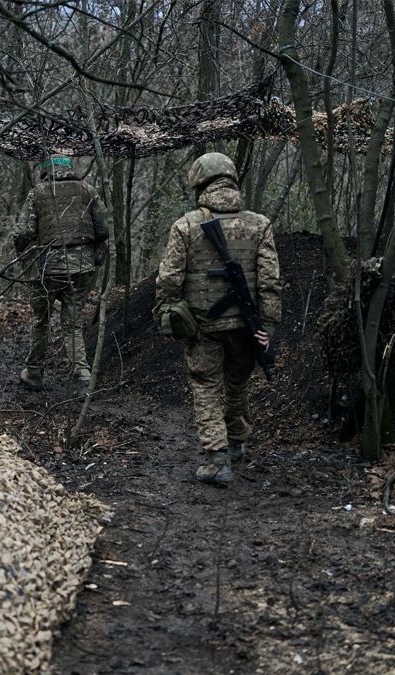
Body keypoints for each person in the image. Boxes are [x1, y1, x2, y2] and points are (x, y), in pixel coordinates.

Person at [153, 152, 281, 486]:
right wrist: (268, 326)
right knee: (237, 383)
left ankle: (217, 458)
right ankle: (236, 442)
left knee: (206, 386)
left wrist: (165, 316)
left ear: (200, 183)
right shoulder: (259, 224)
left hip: (203, 327)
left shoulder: (185, 226)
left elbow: (169, 279)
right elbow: (269, 280)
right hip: (245, 325)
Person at [13, 155, 109, 396]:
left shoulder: (38, 193)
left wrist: (24, 256)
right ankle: (83, 375)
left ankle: (34, 373)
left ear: (46, 171)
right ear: (70, 169)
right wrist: (92, 256)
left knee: (40, 321)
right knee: (73, 324)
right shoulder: (88, 191)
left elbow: (23, 232)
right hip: (82, 268)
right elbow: (103, 230)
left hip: (46, 268)